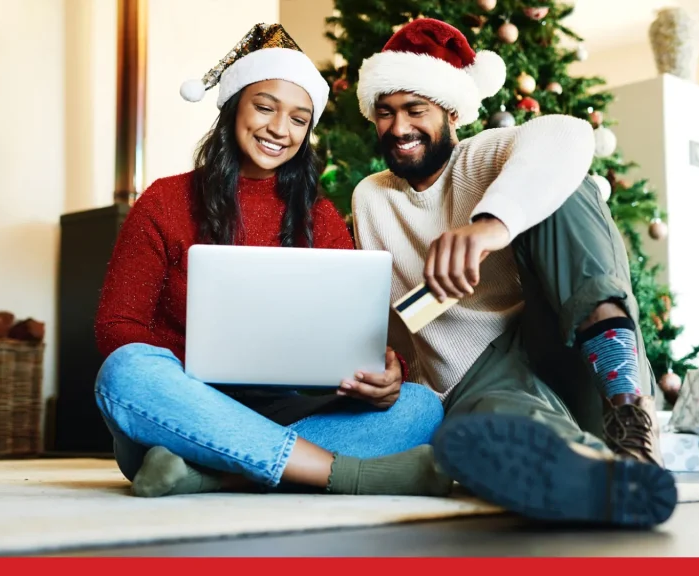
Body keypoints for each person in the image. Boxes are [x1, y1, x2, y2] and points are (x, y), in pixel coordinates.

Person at [93, 24, 448, 498]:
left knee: (420, 406)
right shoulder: (166, 201)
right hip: (185, 407)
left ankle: (207, 472)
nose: (280, 130)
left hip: (285, 409)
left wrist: (386, 371)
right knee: (126, 372)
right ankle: (338, 473)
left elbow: (354, 333)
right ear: (233, 105)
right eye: (265, 108)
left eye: (299, 119)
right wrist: (199, 382)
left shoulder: (319, 216)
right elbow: (116, 327)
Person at [350, 18, 678, 527]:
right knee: (487, 435)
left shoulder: (484, 154)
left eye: (416, 110)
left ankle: (634, 424)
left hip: (571, 346)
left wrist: (489, 227)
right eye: (385, 113)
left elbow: (568, 134)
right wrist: (388, 366)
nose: (398, 128)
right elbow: (390, 315)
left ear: (451, 113)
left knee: (570, 188)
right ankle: (600, 474)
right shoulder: (371, 197)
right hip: (478, 375)